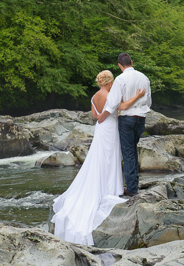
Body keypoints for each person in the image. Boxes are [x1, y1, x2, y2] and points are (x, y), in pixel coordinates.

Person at [51, 70, 145, 246]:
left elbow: (95, 116)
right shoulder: (110, 94)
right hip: (109, 128)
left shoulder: (95, 96)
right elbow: (118, 109)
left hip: (101, 130)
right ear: (110, 82)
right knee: (110, 158)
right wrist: (139, 95)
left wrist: (102, 116)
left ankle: (106, 186)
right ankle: (111, 188)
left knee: (100, 158)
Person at [98, 53, 152, 196]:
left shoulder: (120, 79)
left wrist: (102, 117)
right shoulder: (144, 78)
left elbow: (113, 103)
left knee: (128, 154)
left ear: (119, 65)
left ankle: (132, 188)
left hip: (127, 119)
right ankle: (134, 183)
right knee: (133, 151)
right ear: (132, 62)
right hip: (141, 118)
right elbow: (149, 102)